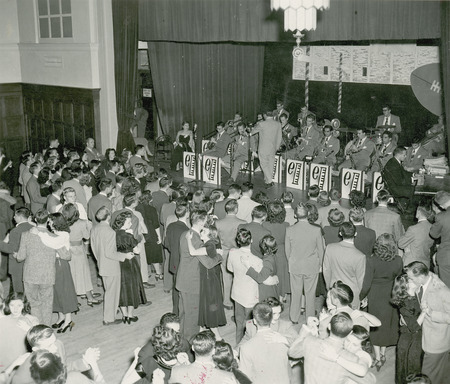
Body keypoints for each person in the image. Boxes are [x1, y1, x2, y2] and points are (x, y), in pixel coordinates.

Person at [289, 312, 376, 384]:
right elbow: (370, 381)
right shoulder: (350, 359)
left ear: (329, 326)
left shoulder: (310, 342)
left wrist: (306, 330)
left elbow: (292, 352)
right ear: (350, 333)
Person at [16, 209, 69, 326]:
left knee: (33, 303)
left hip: (30, 275)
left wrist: (17, 255)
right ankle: (47, 329)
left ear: (35, 219)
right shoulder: (54, 236)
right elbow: (66, 255)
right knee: (47, 303)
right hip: (48, 275)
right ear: (48, 220)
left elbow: (20, 257)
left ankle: (37, 328)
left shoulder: (25, 235)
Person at [360, 233, 403, 371]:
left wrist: (362, 296)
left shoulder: (371, 260)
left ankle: (377, 357)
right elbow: (399, 278)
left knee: (375, 323)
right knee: (386, 323)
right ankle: (383, 353)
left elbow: (366, 284)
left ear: (377, 246)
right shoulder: (398, 260)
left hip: (375, 293)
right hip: (391, 293)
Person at [32, 213, 79, 333]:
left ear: (56, 222)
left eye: (51, 221)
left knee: (64, 291)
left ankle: (68, 319)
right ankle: (61, 316)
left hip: (60, 264)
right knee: (55, 291)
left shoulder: (64, 234)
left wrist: (40, 233)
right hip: (53, 264)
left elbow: (53, 243)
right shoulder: (55, 233)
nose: (49, 223)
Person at [405, 261, 450, 384]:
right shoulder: (426, 280)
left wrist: (431, 312)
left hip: (436, 342)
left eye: (410, 278)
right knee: (441, 376)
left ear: (420, 277)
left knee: (427, 377)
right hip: (427, 338)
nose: (408, 280)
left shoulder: (442, 290)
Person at [90, 207, 131, 326]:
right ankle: (109, 318)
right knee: (112, 292)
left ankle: (111, 310)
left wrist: (99, 259)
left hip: (102, 264)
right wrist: (125, 256)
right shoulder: (110, 232)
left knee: (109, 290)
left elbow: (93, 248)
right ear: (109, 216)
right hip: (111, 266)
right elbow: (110, 253)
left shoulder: (95, 228)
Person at [186, 226, 226, 340]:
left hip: (209, 280)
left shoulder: (209, 245)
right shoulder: (209, 245)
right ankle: (203, 329)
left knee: (210, 305)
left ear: (209, 235)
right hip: (209, 278)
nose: (201, 231)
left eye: (204, 231)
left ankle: (218, 337)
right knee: (207, 304)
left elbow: (192, 252)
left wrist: (188, 239)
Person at [285, 203, 324, 322]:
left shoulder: (289, 230)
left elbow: (287, 251)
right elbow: (321, 250)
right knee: (310, 294)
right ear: (308, 214)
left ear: (295, 216)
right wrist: (321, 264)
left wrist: (292, 261)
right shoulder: (316, 230)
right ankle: (310, 318)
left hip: (295, 266)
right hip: (311, 266)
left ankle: (294, 317)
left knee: (295, 293)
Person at [239, 302, 290, 384]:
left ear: (254, 321)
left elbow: (244, 380)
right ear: (271, 318)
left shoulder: (245, 348)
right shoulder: (283, 340)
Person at [176, 210, 208, 341]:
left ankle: (181, 339)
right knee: (192, 316)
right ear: (200, 222)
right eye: (205, 220)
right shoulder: (196, 240)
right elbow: (207, 260)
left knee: (183, 313)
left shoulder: (185, 233)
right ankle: (189, 344)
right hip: (192, 282)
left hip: (182, 279)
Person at [112, 211, 147, 324]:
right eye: (128, 222)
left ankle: (124, 315)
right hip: (130, 263)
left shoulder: (113, 234)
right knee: (132, 287)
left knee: (121, 288)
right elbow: (137, 251)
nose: (131, 224)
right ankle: (130, 315)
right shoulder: (129, 236)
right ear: (122, 223)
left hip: (118, 263)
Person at [227, 229, 261, 344]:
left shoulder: (232, 253)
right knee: (251, 324)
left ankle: (238, 344)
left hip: (237, 292)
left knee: (239, 321)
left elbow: (230, 269)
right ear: (251, 240)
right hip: (250, 296)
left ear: (238, 241)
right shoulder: (257, 260)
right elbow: (259, 278)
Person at [323, 222, 366, 309]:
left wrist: (329, 288)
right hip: (351, 294)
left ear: (340, 233)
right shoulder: (360, 256)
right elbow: (360, 280)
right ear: (355, 234)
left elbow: (326, 270)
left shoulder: (330, 248)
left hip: (335, 290)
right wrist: (363, 296)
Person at [169, 330, 237, 384]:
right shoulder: (228, 378)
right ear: (213, 351)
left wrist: (179, 364)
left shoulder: (176, 371)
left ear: (193, 348)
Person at [391, 274, 423, 384]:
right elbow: (414, 327)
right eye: (413, 279)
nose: (418, 280)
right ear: (407, 285)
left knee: (411, 360)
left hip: (417, 333)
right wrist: (424, 312)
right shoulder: (405, 302)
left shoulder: (420, 293)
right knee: (408, 359)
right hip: (411, 334)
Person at [215, 199, 246, 310]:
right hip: (237, 253)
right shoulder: (242, 223)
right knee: (238, 277)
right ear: (236, 209)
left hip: (223, 252)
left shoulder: (218, 223)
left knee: (225, 278)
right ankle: (237, 300)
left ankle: (227, 302)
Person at [0, 207, 34, 294]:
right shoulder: (34, 228)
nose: (13, 218)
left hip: (17, 265)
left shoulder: (15, 231)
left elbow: (11, 248)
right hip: (31, 264)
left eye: (15, 216)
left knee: (19, 290)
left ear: (20, 217)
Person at [165, 201, 190, 314]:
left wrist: (174, 252)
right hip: (184, 264)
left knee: (176, 288)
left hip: (174, 261)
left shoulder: (171, 226)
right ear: (187, 214)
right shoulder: (187, 231)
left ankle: (175, 309)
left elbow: (167, 244)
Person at [262, 201, 290, 301]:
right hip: (282, 252)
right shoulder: (287, 225)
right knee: (282, 274)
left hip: (269, 252)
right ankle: (283, 296)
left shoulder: (264, 224)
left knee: (271, 273)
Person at [249, 110, 282, 188]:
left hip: (263, 148)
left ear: (264, 115)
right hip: (273, 148)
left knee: (263, 164)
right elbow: (279, 137)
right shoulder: (278, 124)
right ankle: (267, 180)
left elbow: (252, 133)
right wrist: (277, 147)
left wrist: (250, 130)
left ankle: (270, 181)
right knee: (270, 164)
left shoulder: (261, 124)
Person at [242, 235, 279, 302]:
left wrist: (248, 266)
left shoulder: (267, 261)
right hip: (271, 288)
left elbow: (260, 278)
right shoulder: (272, 256)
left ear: (262, 247)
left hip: (266, 291)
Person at [429, 191, 450, 287]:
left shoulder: (441, 217)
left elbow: (434, 234)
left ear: (440, 205)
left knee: (446, 287)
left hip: (447, 257)